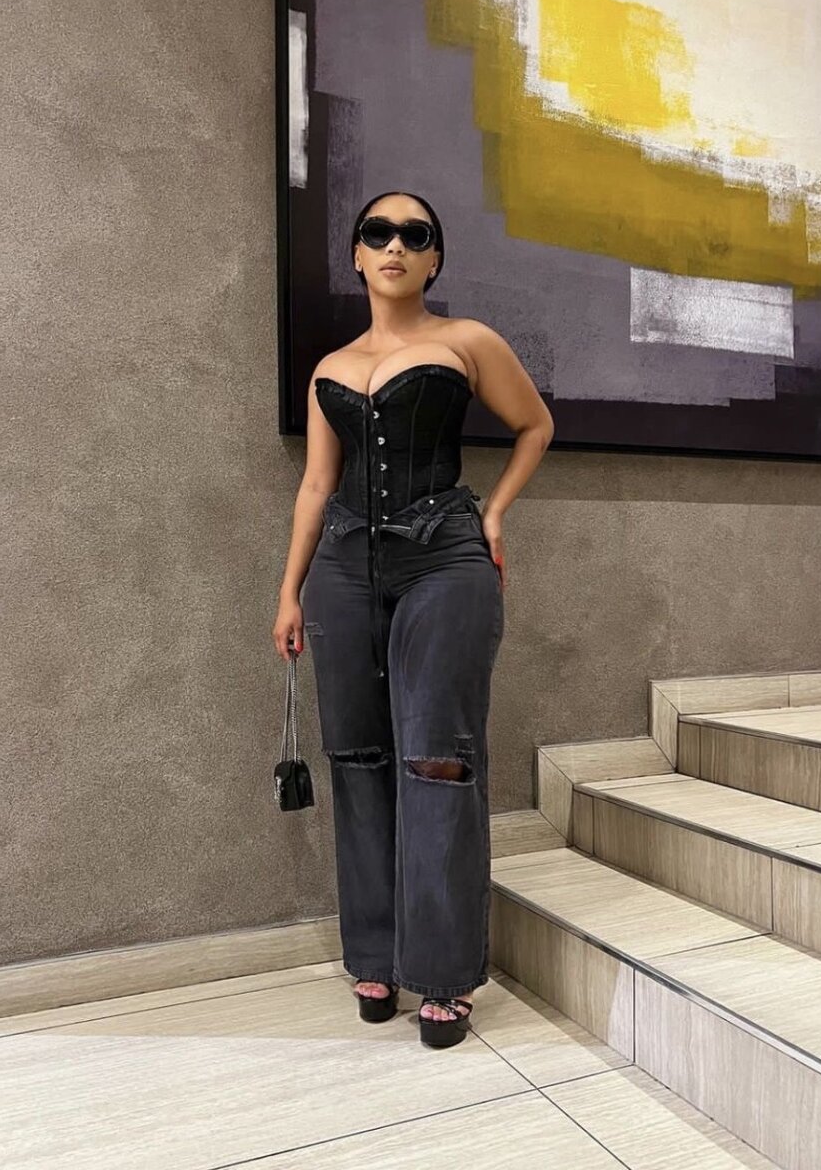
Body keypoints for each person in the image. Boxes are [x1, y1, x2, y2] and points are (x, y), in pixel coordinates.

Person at [273, 190, 553, 1047]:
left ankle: (443, 973)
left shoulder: (466, 342)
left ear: (434, 259)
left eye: (414, 235)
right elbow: (317, 484)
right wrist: (288, 590)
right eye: (378, 232)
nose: (394, 245)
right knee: (358, 758)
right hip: (343, 569)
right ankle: (376, 954)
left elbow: (535, 425)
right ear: (357, 254)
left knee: (439, 759)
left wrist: (493, 513)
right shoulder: (329, 367)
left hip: (444, 559)